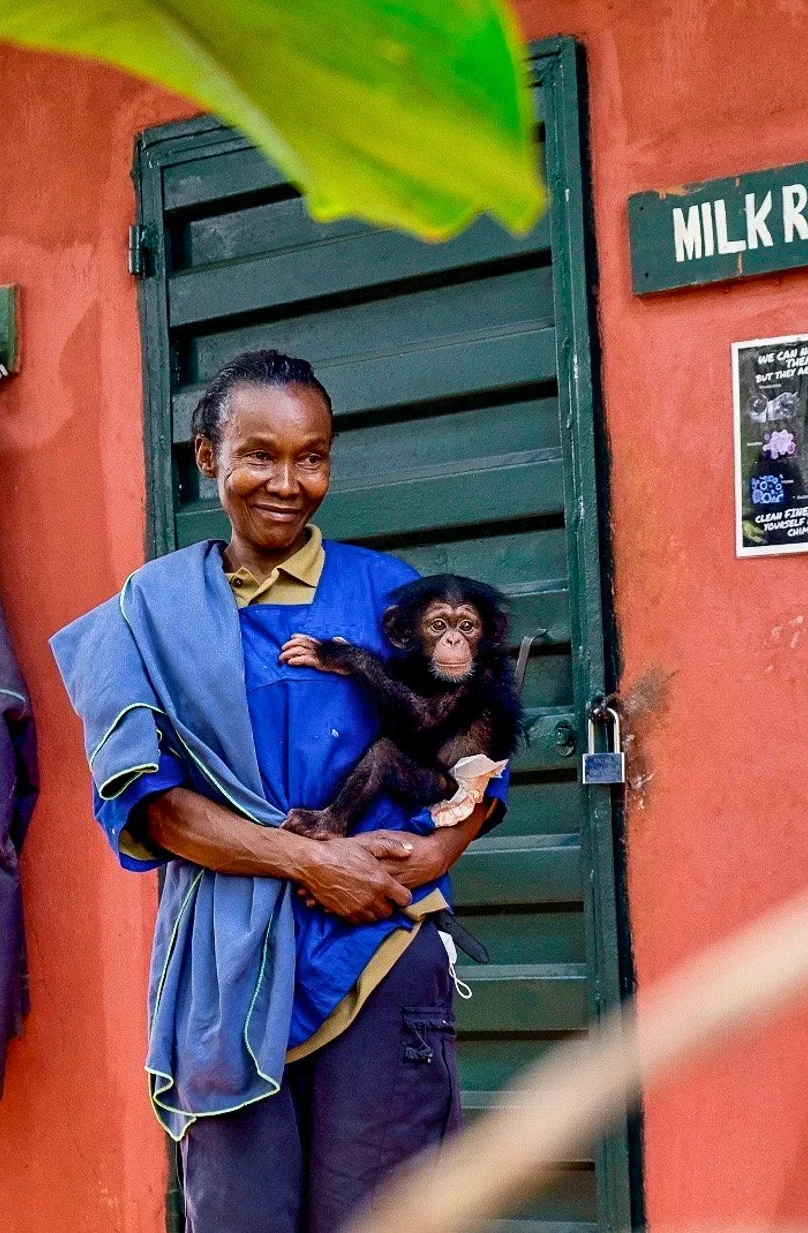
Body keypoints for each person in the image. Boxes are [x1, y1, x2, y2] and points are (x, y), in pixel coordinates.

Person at [50, 350, 508, 1233]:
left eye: (314, 456)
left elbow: (477, 753)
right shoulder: (150, 612)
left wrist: (438, 848)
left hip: (373, 958)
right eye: (260, 453)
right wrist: (312, 861)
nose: (288, 483)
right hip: (226, 981)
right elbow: (150, 804)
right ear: (206, 456)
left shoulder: (392, 595)